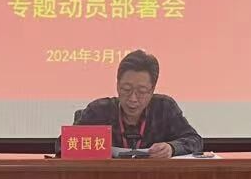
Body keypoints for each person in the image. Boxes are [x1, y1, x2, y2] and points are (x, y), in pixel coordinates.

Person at [74, 49, 203, 158]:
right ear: (117, 86)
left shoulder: (164, 108)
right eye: (126, 89)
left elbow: (195, 140)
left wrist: (171, 148)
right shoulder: (98, 111)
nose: (133, 98)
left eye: (141, 91)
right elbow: (67, 144)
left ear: (152, 90)